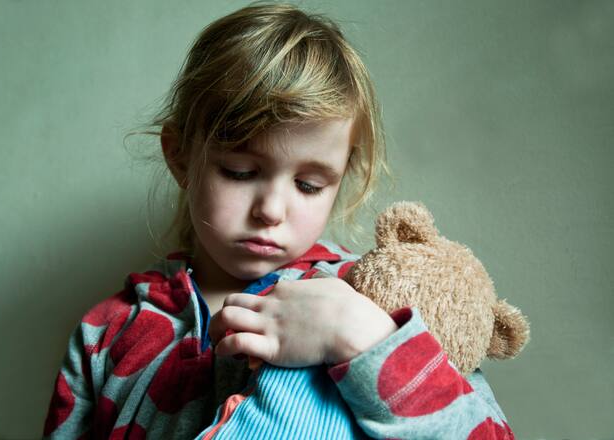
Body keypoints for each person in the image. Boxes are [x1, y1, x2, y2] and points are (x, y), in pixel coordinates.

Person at [42, 3, 514, 439]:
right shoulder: (106, 334)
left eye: (308, 184)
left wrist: (362, 336)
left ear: (340, 177)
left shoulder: (374, 296)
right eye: (240, 172)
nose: (271, 210)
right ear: (180, 157)